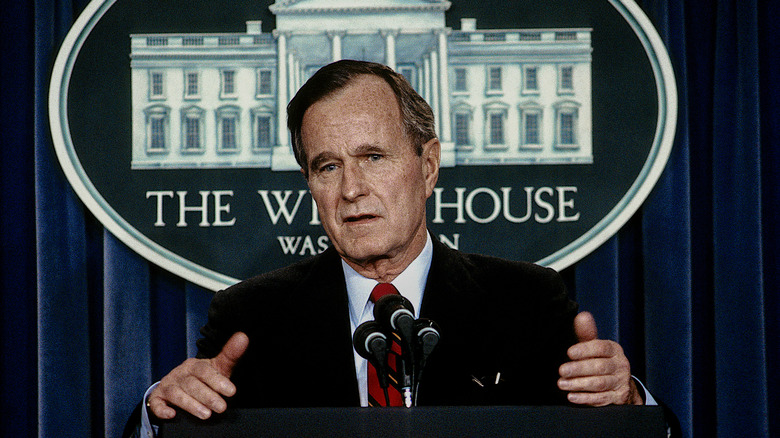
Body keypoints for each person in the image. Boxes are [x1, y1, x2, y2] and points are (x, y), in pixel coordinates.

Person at [130, 60, 652, 436]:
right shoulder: (251, 317)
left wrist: (626, 401)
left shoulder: (527, 301)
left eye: (374, 157)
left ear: (427, 167)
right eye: (327, 166)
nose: (351, 189)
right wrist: (165, 413)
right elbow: (189, 423)